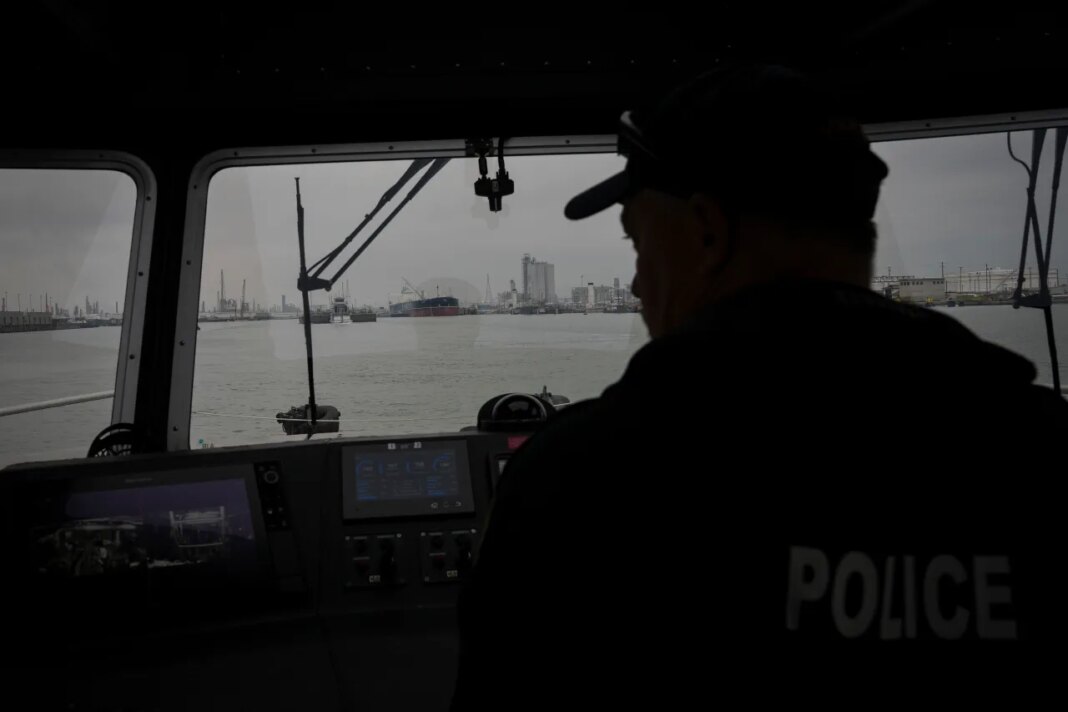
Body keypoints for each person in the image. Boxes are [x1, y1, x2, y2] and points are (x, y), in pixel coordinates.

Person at [451, 65, 1068, 710]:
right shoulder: (1044, 451)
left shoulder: (575, 484)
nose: (635, 285)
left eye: (636, 245)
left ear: (709, 233)